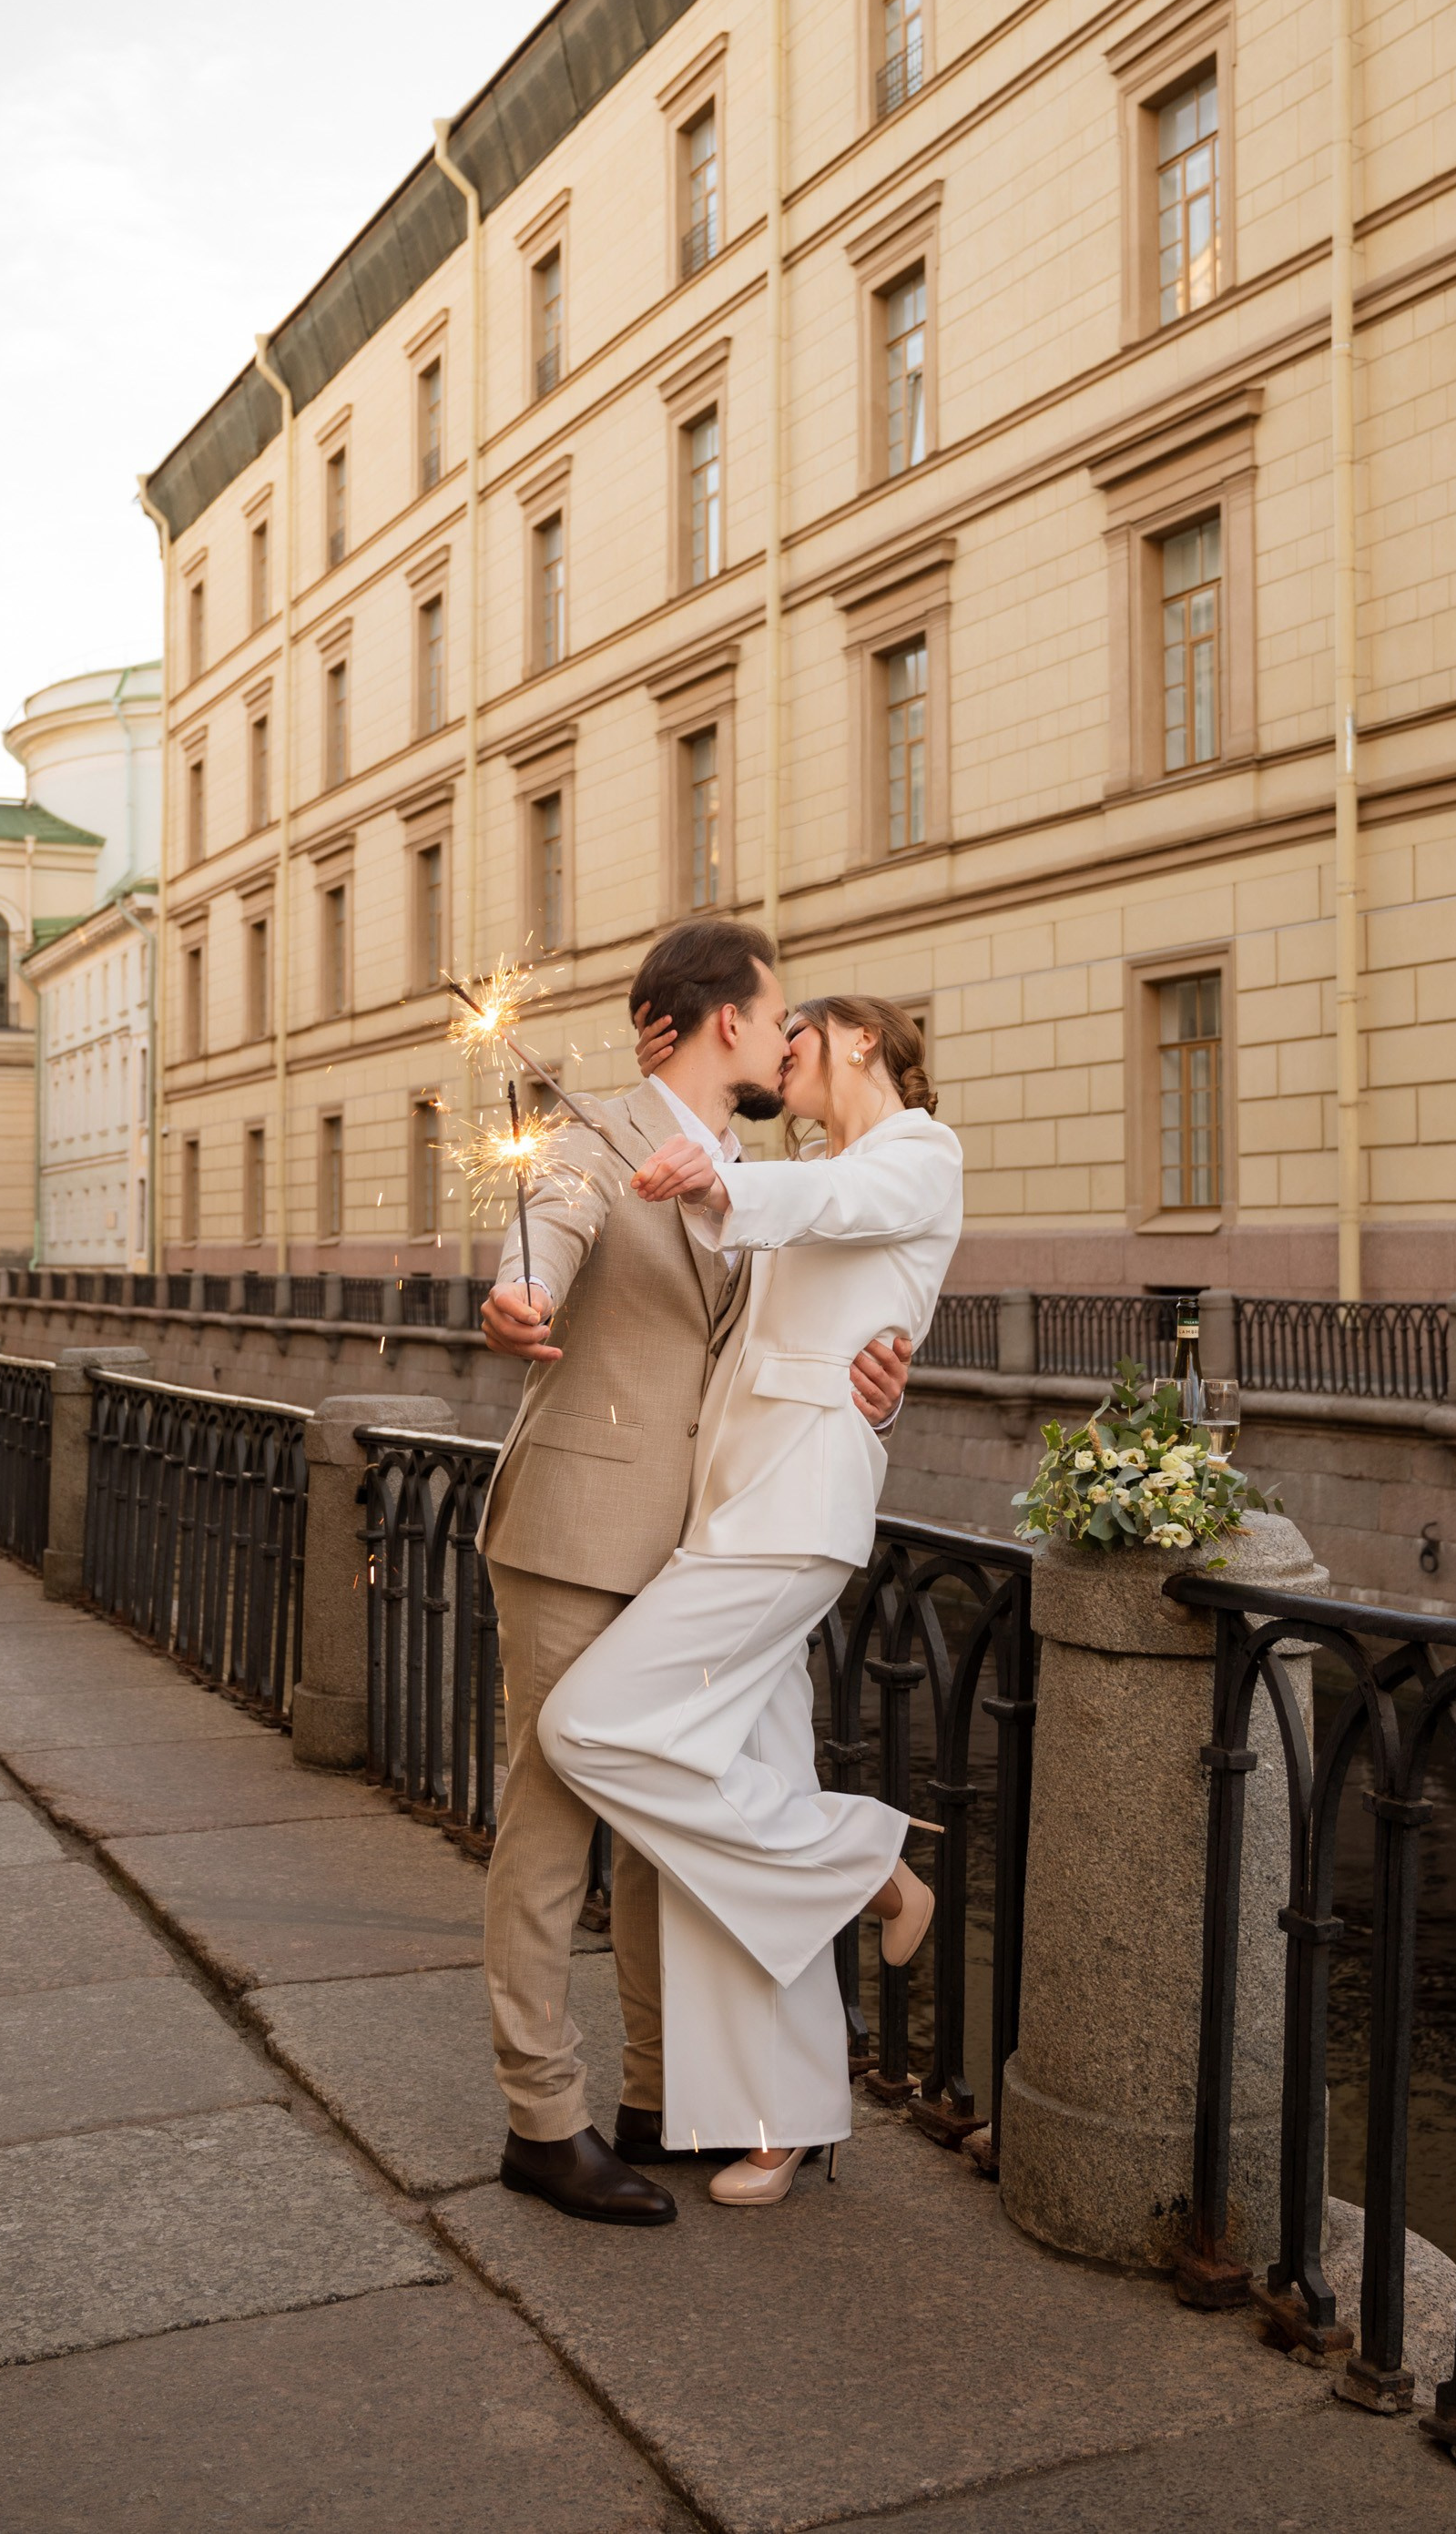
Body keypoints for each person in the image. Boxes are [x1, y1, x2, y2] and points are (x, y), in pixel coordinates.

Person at [475, 921, 913, 2227]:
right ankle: (542, 2122)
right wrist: (518, 1295)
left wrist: (873, 1398)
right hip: (578, 1529)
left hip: (706, 1544)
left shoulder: (772, 1170)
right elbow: (544, 1224)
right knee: (550, 1833)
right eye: (779, 1013)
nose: (792, 1039)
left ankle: (660, 2098)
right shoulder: (592, 1132)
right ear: (727, 1021)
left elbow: (804, 1343)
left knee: (668, 1824)